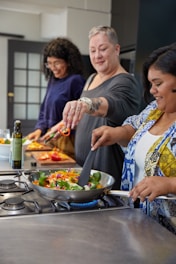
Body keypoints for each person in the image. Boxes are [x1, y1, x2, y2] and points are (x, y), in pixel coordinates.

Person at [91, 43, 176, 234]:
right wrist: (116, 133)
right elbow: (134, 127)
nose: (153, 90)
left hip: (169, 233)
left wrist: (170, 184)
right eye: (151, 84)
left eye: (158, 83)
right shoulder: (155, 109)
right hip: (139, 222)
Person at [43, 26, 141, 189]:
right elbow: (84, 116)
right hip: (83, 168)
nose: (97, 56)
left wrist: (84, 103)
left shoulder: (125, 82)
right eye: (93, 50)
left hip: (106, 175)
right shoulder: (91, 78)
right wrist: (61, 125)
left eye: (102, 49)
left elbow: (109, 104)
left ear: (116, 49)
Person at [27, 37, 85, 158]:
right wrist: (39, 129)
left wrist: (59, 128)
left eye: (57, 63)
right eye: (49, 63)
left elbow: (81, 114)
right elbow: (44, 109)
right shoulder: (53, 81)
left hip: (66, 140)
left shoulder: (76, 81)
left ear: (68, 62)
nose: (53, 67)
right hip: (50, 137)